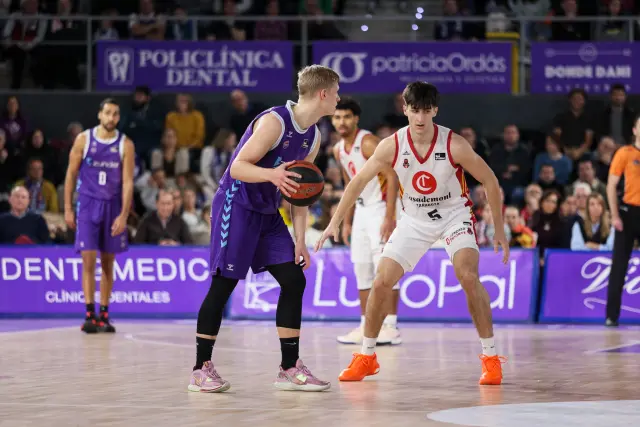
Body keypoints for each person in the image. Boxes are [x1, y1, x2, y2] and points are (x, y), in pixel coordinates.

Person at [315, 82, 509, 385]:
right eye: (414, 110)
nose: (420, 118)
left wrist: (498, 227)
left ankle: (491, 358)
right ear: (404, 109)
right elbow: (356, 182)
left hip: (454, 216)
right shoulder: (391, 145)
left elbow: (490, 180)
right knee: (381, 281)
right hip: (414, 219)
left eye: (426, 111)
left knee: (468, 276)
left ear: (435, 110)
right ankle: (366, 357)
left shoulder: (453, 143)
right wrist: (335, 221)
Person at [189, 65, 340, 393]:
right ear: (323, 94)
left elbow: (299, 195)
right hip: (237, 205)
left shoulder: (312, 136)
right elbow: (238, 167)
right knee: (224, 283)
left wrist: (300, 240)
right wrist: (273, 175)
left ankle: (288, 368)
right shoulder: (275, 122)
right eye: (337, 93)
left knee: (293, 279)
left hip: (268, 211)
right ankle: (201, 368)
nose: (339, 99)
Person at [331, 97, 401, 345]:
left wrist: (390, 216)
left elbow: (392, 178)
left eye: (347, 116)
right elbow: (350, 186)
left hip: (382, 207)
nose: (342, 121)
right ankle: (365, 325)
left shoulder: (369, 142)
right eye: (337, 117)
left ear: (356, 119)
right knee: (361, 267)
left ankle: (391, 326)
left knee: (385, 267)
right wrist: (347, 221)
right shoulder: (337, 149)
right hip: (360, 211)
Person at [63, 99, 135, 334]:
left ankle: (104, 314)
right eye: (107, 113)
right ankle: (89, 314)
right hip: (87, 204)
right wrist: (67, 207)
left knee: (107, 263)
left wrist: (124, 214)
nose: (111, 117)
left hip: (112, 206)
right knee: (88, 262)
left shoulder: (126, 144)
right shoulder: (84, 139)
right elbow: (71, 175)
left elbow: (127, 182)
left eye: (115, 114)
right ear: (99, 115)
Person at [605, 115, 640, 327]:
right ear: (635, 130)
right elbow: (611, 186)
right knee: (619, 265)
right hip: (628, 214)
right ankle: (611, 316)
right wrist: (615, 215)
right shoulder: (625, 153)